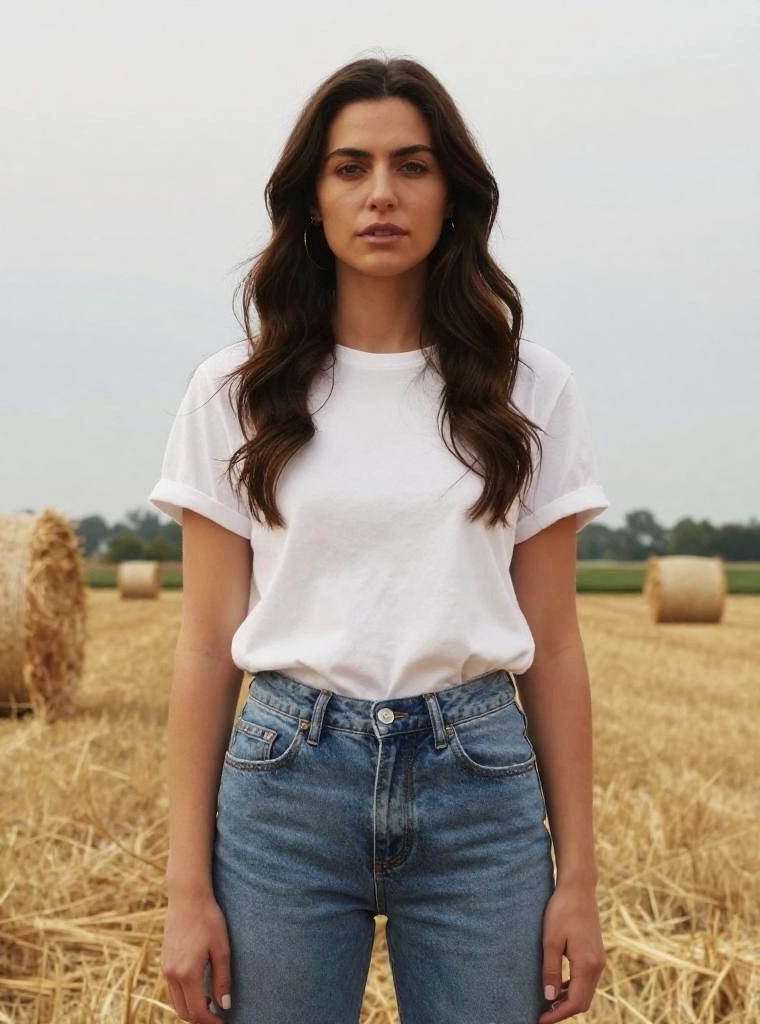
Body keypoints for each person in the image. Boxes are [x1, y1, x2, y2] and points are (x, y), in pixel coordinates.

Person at [149, 55, 609, 1024]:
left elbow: (557, 644)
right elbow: (202, 644)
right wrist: (186, 889)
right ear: (310, 199)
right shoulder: (233, 391)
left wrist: (580, 879)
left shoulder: (532, 388)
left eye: (413, 165)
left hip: (480, 787)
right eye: (350, 167)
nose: (382, 194)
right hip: (283, 789)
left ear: (455, 194)